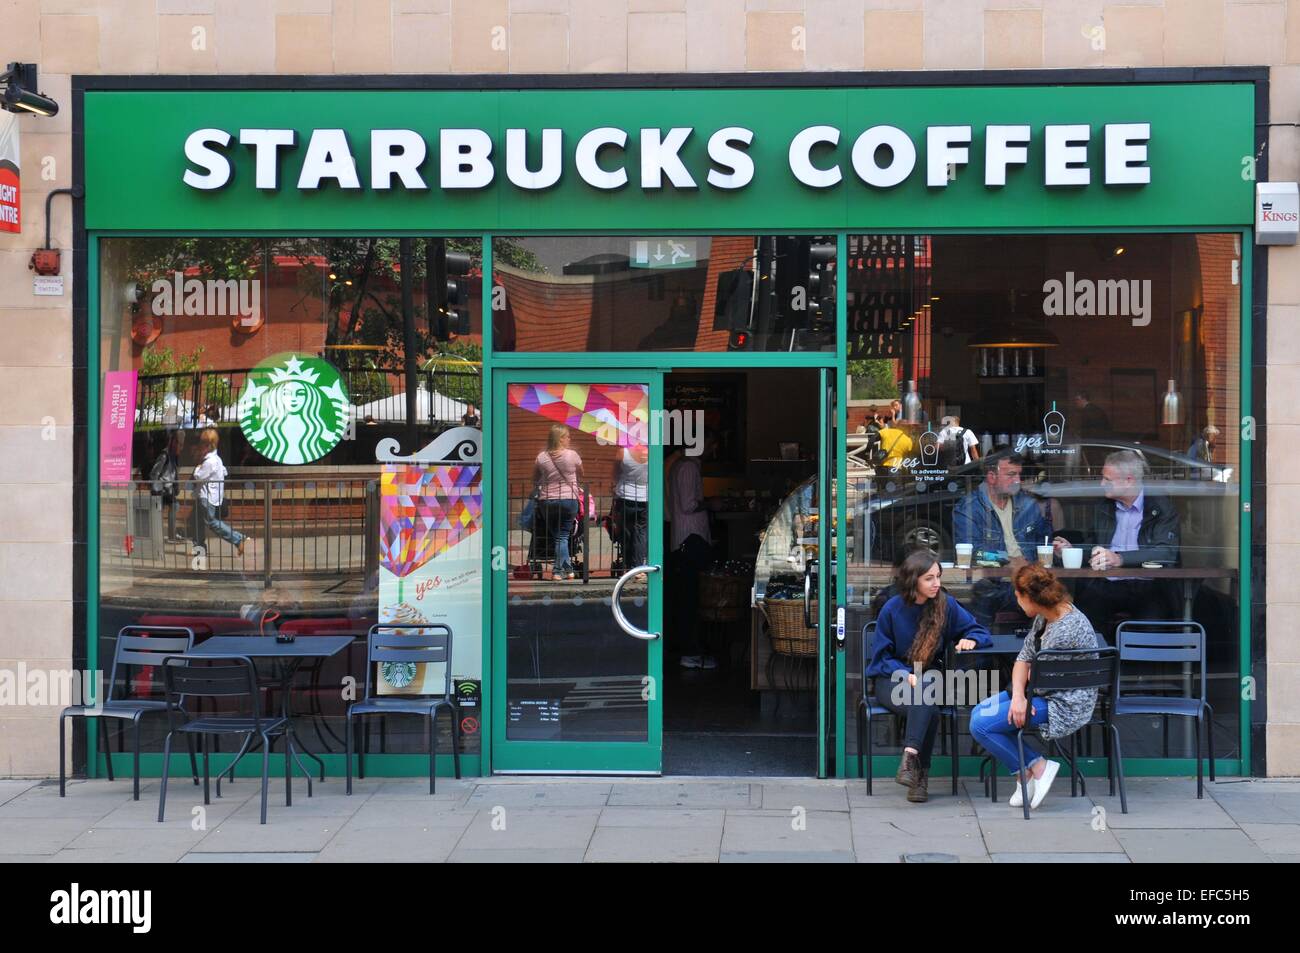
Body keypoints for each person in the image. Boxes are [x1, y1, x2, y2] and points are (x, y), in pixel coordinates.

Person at [969, 563, 1100, 810]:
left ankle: (1037, 767)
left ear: (1029, 597)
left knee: (981, 724)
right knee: (979, 712)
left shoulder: (1065, 630)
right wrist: (1018, 695)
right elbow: (1023, 659)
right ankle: (1025, 775)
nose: (1016, 602)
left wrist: (1023, 691)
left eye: (1018, 597)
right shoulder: (1046, 616)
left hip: (1064, 704)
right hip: (1043, 693)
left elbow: (1037, 677)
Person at [869, 550, 991, 802]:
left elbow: (980, 630)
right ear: (913, 581)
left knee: (926, 689)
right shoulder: (892, 608)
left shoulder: (945, 605)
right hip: (892, 681)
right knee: (929, 704)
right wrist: (904, 674)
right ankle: (920, 776)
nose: (936, 583)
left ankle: (910, 760)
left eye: (938, 576)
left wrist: (970, 639)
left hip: (930, 681)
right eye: (929, 578)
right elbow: (880, 659)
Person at [1052, 449, 1180, 643]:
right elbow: (1095, 546)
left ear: (1128, 480)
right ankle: (1094, 669)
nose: (1102, 484)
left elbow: (1166, 552)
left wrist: (1119, 558)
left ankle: (1140, 673)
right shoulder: (1105, 506)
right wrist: (1073, 550)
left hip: (1149, 586)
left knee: (1150, 630)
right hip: (1107, 583)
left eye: (1107, 479)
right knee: (1083, 623)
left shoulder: (1161, 506)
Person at [952, 451, 1053, 626]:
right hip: (993, 582)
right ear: (991, 477)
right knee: (982, 600)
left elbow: (1044, 541)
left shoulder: (1027, 504)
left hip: (1030, 580)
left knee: (1059, 600)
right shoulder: (969, 508)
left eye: (1019, 475)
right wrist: (1007, 560)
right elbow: (973, 554)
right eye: (1011, 475)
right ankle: (981, 650)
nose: (1018, 481)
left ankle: (1042, 650)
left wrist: (1057, 546)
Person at [666, 445, 714, 669]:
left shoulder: (681, 466)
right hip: (690, 539)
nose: (713, 448)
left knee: (687, 597)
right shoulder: (688, 468)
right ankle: (691, 652)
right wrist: (711, 503)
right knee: (690, 598)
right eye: (710, 442)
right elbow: (688, 505)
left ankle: (688, 649)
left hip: (684, 538)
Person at [533, 424, 584, 580]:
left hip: (547, 500)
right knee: (562, 536)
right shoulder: (572, 455)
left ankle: (567, 569)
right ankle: (558, 571)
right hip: (569, 499)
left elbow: (534, 478)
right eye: (567, 436)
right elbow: (581, 473)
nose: (570, 439)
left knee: (558, 536)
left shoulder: (541, 457)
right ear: (561, 438)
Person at [193, 427, 246, 557]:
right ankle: (199, 547)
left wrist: (197, 468)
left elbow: (198, 477)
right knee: (200, 521)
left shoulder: (209, 462)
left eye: (202, 443)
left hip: (207, 497)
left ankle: (237, 538)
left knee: (212, 523)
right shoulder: (217, 459)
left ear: (206, 444)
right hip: (213, 497)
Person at [612, 443, 649, 569]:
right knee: (641, 533)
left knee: (626, 533)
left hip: (625, 497)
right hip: (645, 497)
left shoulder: (623, 452)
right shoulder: (652, 452)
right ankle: (638, 568)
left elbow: (615, 474)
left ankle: (627, 566)